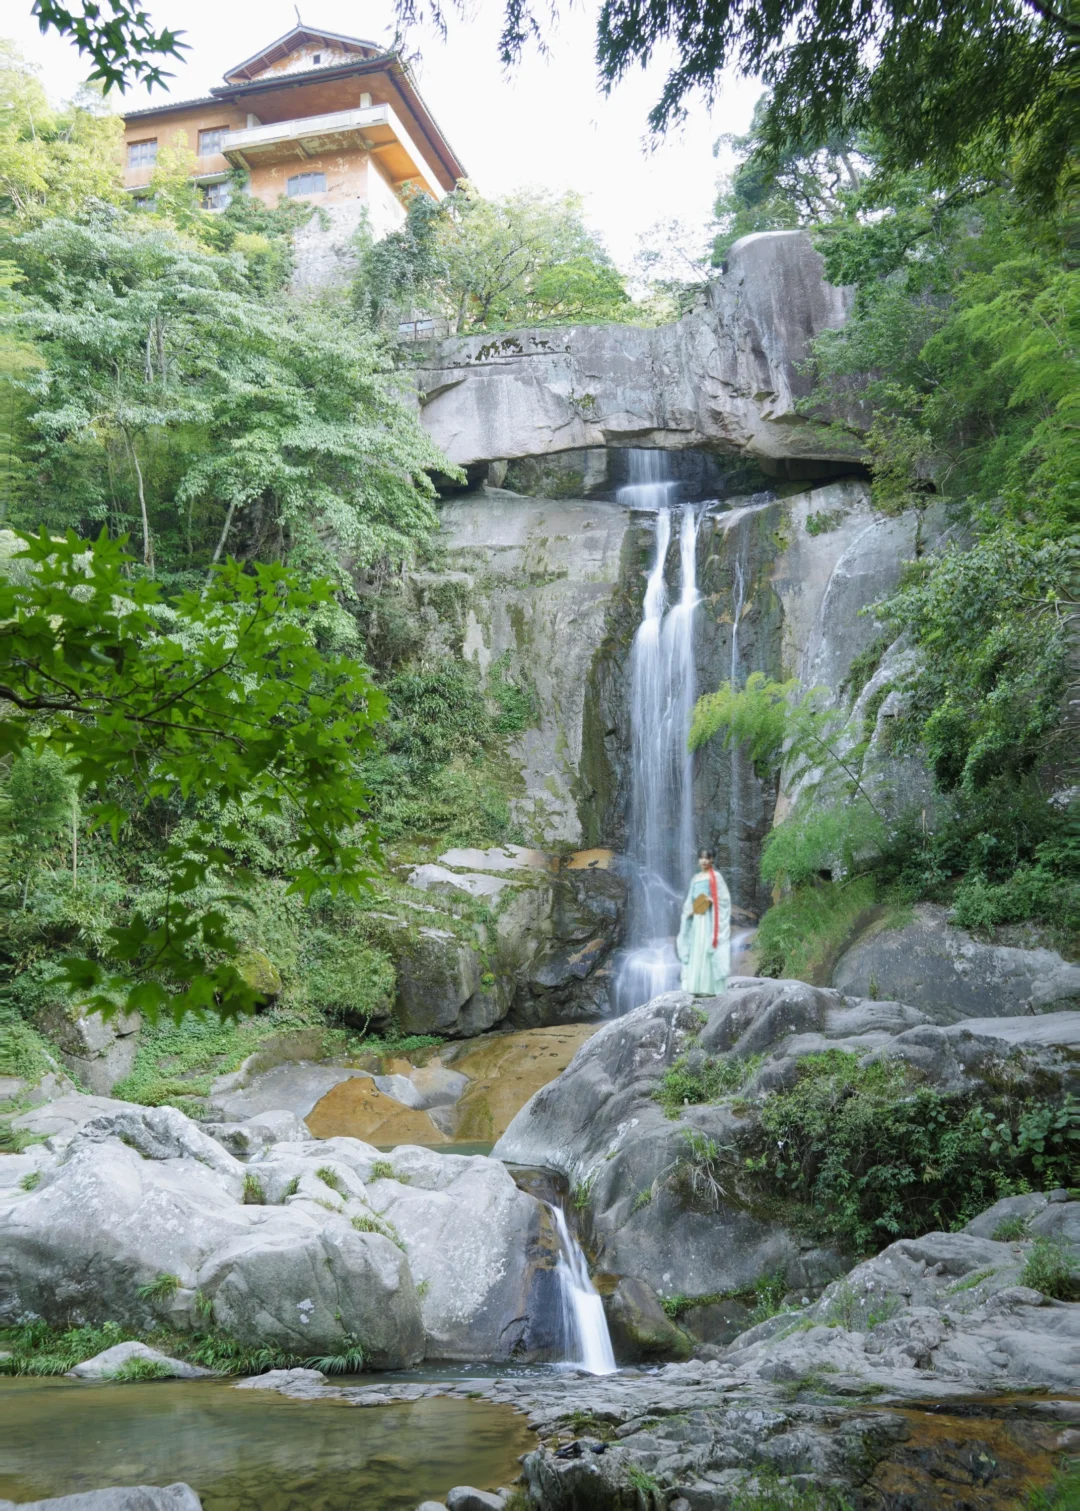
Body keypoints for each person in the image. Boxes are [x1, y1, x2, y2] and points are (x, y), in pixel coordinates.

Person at [676, 848, 731, 996]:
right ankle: (695, 986)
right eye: (701, 858)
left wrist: (711, 900)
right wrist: (689, 912)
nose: (704, 861)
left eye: (707, 858)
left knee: (707, 949)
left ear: (712, 860)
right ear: (698, 860)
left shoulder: (716, 877)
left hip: (709, 919)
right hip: (696, 920)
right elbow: (690, 900)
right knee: (695, 949)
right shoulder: (695, 879)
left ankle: (709, 988)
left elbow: (724, 900)